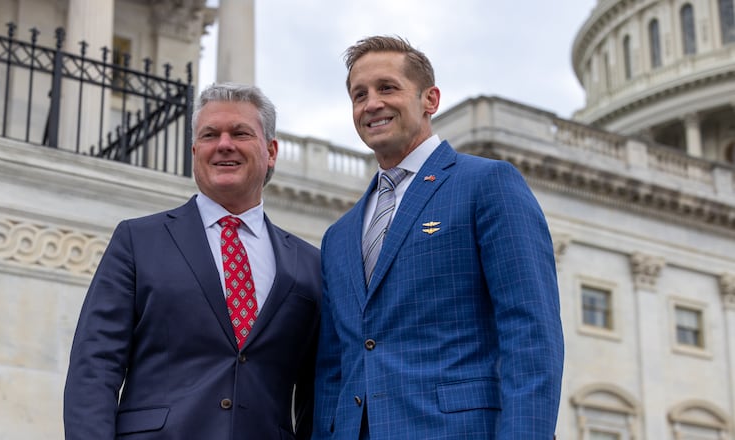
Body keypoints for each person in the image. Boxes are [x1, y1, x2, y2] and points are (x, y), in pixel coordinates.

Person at [313, 36, 564, 439]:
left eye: (387, 88)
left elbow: (531, 334)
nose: (371, 103)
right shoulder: (339, 235)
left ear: (430, 99)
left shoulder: (486, 184)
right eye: (359, 95)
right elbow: (333, 368)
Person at [64, 83, 321, 439]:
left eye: (241, 133)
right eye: (210, 134)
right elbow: (94, 367)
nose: (224, 144)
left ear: (271, 151)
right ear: (195, 150)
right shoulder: (138, 241)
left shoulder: (309, 265)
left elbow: (318, 393)